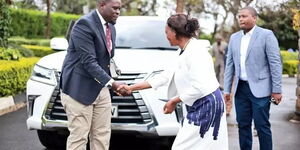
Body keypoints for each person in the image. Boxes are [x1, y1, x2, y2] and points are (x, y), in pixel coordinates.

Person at [118, 14, 228, 150]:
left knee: (184, 147)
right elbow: (165, 77)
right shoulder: (182, 50)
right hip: (198, 104)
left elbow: (200, 87)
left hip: (207, 105)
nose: (166, 36)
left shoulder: (196, 52)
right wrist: (131, 88)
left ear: (175, 32)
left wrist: (174, 101)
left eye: (166, 32)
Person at [59, 0, 124, 150]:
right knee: (79, 137)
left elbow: (107, 58)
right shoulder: (84, 24)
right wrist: (113, 84)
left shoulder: (111, 28)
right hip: (78, 89)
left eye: (120, 8)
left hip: (101, 88)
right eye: (114, 8)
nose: (118, 12)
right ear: (102, 5)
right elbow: (88, 61)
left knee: (102, 135)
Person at [223, 6, 282, 150]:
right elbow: (230, 64)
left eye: (244, 16)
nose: (241, 19)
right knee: (242, 125)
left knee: (262, 126)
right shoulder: (234, 37)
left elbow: (275, 63)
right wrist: (226, 90)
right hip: (241, 89)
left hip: (261, 89)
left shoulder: (266, 35)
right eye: (239, 17)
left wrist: (277, 90)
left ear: (254, 18)